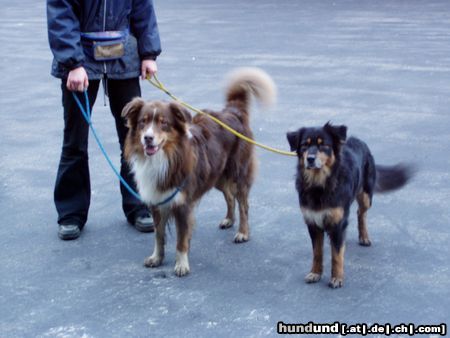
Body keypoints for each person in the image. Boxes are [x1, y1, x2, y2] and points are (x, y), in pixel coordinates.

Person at [47, 0, 161, 240]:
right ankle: (70, 213)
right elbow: (60, 14)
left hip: (124, 56)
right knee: (74, 141)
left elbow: (143, 8)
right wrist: (72, 63)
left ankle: (139, 204)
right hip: (80, 61)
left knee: (135, 140)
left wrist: (148, 53)